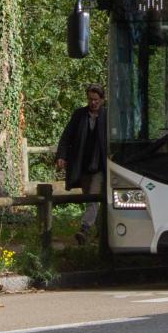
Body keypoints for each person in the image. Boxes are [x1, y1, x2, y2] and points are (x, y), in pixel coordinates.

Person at [55, 85, 108, 245]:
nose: (93, 103)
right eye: (90, 99)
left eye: (96, 100)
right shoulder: (79, 115)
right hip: (82, 165)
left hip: (100, 166)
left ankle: (84, 229)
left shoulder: (107, 116)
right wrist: (61, 156)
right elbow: (67, 136)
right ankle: (101, 235)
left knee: (93, 197)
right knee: (91, 199)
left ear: (102, 100)